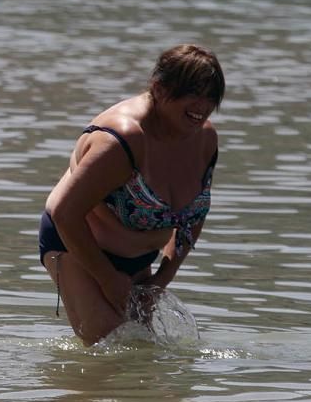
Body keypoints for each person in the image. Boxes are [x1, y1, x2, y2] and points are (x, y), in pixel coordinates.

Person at [40, 44, 225, 346]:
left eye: (210, 95)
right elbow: (64, 213)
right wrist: (106, 278)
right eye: (192, 92)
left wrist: (160, 281)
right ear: (159, 88)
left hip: (138, 259)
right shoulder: (121, 141)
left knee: (142, 355)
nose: (202, 105)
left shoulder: (204, 139)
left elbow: (195, 216)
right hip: (75, 247)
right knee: (117, 349)